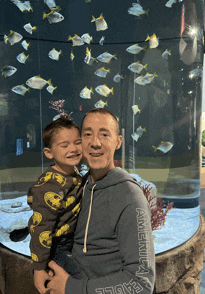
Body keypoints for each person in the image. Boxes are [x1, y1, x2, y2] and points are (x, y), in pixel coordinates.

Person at [47, 108, 156, 294]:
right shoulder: (80, 187)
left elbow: (141, 284)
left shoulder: (130, 198)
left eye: (104, 134)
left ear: (118, 141)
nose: (95, 143)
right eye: (88, 134)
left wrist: (73, 287)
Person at [27, 117, 85, 294]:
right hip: (55, 246)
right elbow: (41, 230)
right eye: (64, 145)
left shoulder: (72, 172)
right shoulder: (49, 187)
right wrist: (38, 269)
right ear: (49, 153)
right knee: (79, 278)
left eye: (77, 142)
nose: (73, 149)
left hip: (71, 240)